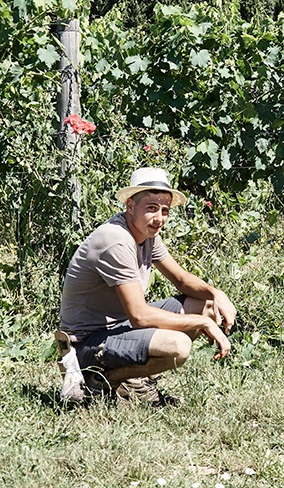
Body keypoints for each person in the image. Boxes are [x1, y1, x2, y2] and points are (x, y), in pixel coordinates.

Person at [58, 167, 237, 402]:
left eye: (165, 210)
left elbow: (181, 280)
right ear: (130, 206)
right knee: (179, 345)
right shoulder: (116, 241)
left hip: (118, 328)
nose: (159, 218)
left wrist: (216, 293)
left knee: (205, 304)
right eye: (151, 208)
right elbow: (139, 317)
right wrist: (202, 323)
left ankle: (136, 380)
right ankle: (102, 380)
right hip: (85, 343)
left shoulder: (147, 234)